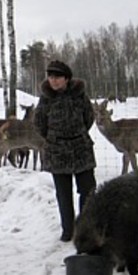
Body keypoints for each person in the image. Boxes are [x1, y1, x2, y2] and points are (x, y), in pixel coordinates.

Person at [33, 60, 97, 242]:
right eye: (51, 77)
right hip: (57, 151)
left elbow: (89, 117)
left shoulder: (79, 95)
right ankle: (67, 230)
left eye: (58, 77)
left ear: (67, 79)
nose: (53, 81)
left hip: (81, 148)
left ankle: (86, 227)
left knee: (87, 190)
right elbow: (39, 123)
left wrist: (77, 134)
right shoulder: (46, 99)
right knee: (63, 193)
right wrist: (54, 138)